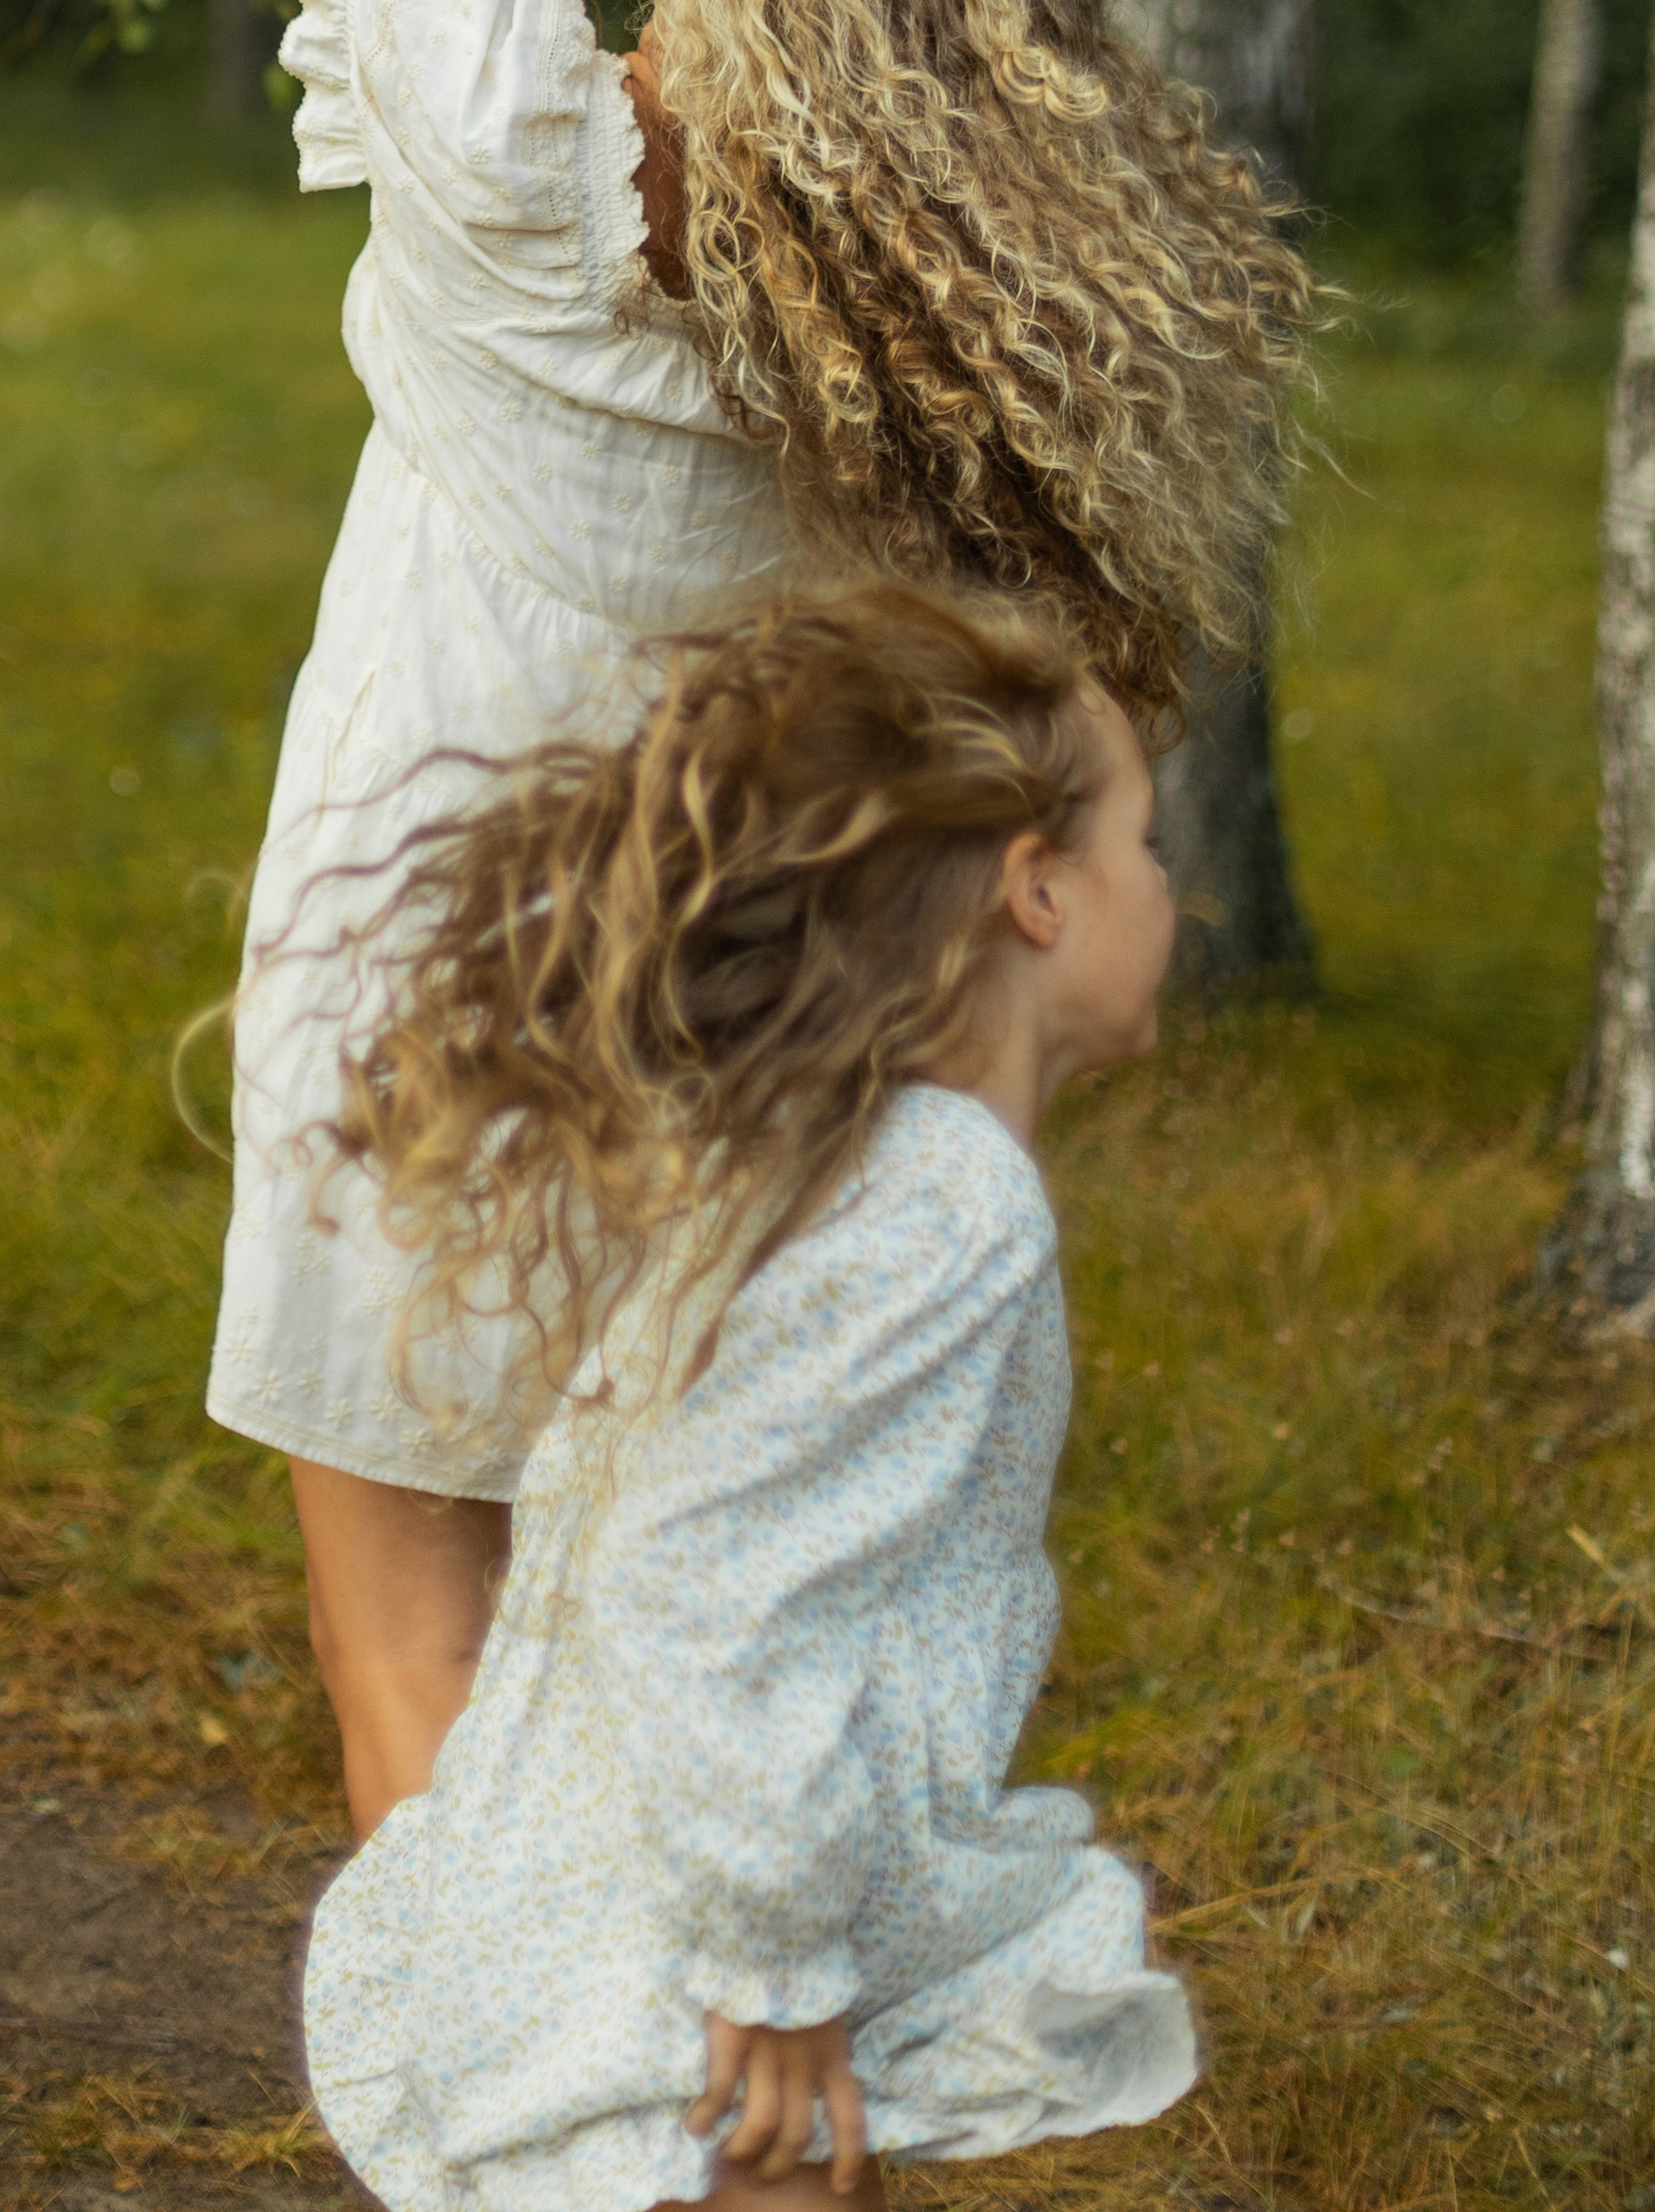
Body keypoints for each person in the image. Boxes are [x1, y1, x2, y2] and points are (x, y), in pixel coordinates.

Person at [209, 0, 1308, 1837]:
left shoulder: (511, 162)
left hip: (420, 984)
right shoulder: (931, 302)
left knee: (412, 1649)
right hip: (746, 1017)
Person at [303, 578, 1200, 2212]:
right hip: (685, 1945)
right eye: (1146, 847)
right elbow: (702, 1580)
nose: (1171, 893)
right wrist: (773, 1964)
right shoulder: (945, 1203)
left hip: (659, 1877)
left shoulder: (836, 1157)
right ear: (1039, 894)